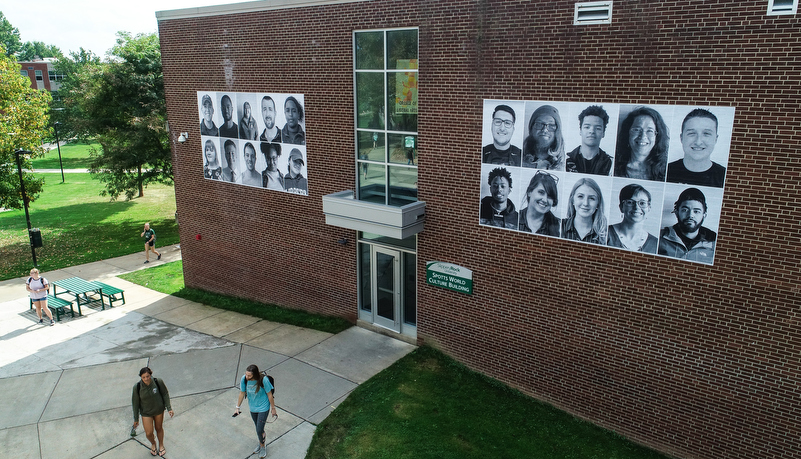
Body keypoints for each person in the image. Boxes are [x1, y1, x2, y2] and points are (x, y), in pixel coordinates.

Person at [667, 108, 726, 188]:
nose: (698, 142)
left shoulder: (724, 176)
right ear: (681, 138)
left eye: (706, 133)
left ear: (715, 139)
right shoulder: (665, 172)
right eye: (692, 133)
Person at [658, 187, 716, 263]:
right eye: (685, 210)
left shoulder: (714, 243)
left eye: (696, 211)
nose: (690, 215)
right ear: (676, 212)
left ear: (704, 215)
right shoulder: (660, 237)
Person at [614, 106, 669, 181]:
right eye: (636, 130)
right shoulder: (613, 166)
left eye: (650, 131)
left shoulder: (666, 170)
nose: (643, 136)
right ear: (627, 133)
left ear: (657, 136)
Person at [235, 364, 276, 459]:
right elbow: (242, 393)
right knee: (258, 428)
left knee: (259, 429)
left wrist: (273, 408)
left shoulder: (263, 380)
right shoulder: (244, 379)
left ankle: (262, 447)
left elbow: (269, 394)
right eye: (246, 374)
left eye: (249, 375)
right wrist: (237, 407)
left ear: (255, 374)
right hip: (253, 408)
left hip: (263, 407)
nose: (247, 377)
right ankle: (261, 440)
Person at [132, 367, 174, 457]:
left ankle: (161, 445)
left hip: (158, 410)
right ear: (141, 377)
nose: (146, 379)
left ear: (150, 375)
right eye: (143, 377)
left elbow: (165, 393)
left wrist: (169, 408)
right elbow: (135, 404)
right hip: (146, 413)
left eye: (148, 376)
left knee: (159, 428)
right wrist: (136, 419)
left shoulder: (158, 381)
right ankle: (153, 443)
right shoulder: (137, 387)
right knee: (148, 433)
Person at [607, 184, 658, 253]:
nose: (636, 207)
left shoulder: (655, 243)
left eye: (642, 203)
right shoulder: (604, 233)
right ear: (621, 207)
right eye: (630, 202)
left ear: (649, 209)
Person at [566, 105, 613, 175]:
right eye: (587, 127)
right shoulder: (566, 159)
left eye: (598, 128)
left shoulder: (611, 163)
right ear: (580, 131)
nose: (592, 131)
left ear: (603, 133)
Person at [561, 178, 607, 244]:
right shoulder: (559, 225)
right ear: (572, 200)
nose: (586, 203)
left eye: (591, 198)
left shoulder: (605, 234)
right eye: (580, 196)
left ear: (598, 203)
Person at [522, 105, 565, 170]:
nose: (544, 130)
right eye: (539, 124)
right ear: (531, 128)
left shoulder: (565, 164)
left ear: (557, 131)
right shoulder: (519, 157)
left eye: (551, 125)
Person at [518, 171, 560, 236]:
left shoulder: (559, 226)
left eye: (550, 196)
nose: (545, 200)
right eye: (541, 192)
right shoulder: (514, 218)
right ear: (529, 192)